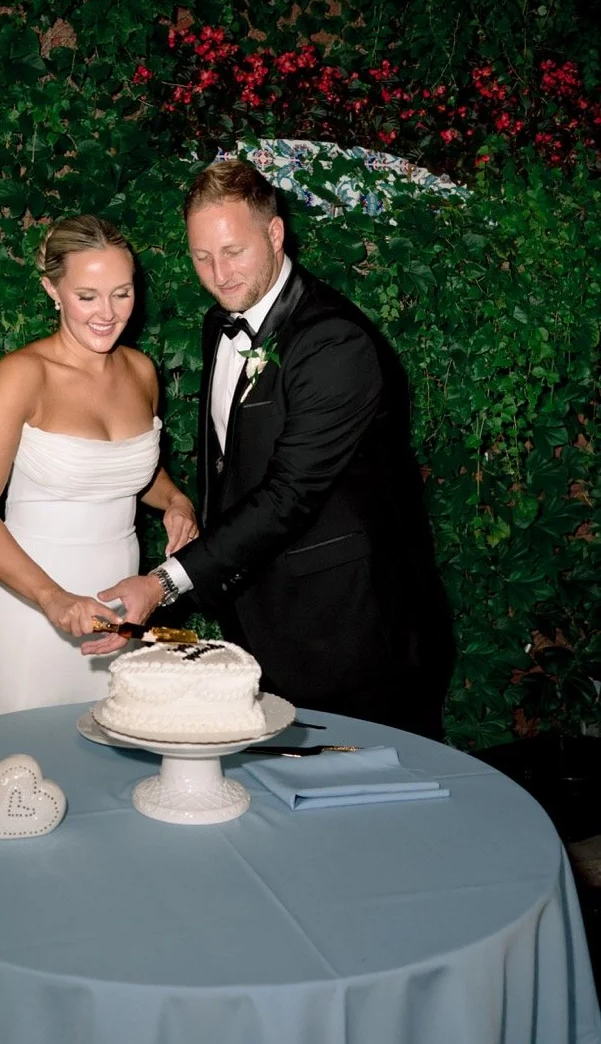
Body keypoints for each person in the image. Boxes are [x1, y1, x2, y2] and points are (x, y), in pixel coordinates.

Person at [100, 159, 452, 738]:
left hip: (351, 631)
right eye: (201, 257)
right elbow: (228, 463)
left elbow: (288, 495)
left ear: (275, 233)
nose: (218, 274)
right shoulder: (224, 321)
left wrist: (164, 582)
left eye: (233, 251)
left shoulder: (334, 343)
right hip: (261, 616)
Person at [0, 214, 197, 728]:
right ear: (52, 290)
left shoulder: (141, 371)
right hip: (28, 602)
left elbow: (132, 473)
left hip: (120, 605)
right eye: (88, 296)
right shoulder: (22, 375)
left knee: (107, 761)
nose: (108, 313)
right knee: (16, 767)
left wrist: (176, 501)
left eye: (121, 294)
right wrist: (50, 598)